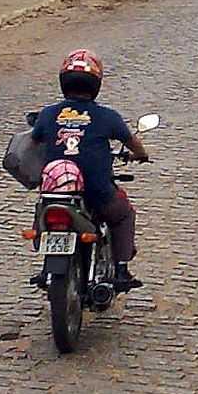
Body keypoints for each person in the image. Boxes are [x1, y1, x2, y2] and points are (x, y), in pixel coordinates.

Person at [31, 49, 150, 292]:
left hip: (58, 194)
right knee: (124, 214)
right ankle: (121, 269)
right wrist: (140, 155)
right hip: (97, 192)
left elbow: (34, 140)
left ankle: (46, 264)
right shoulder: (107, 117)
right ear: (96, 84)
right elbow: (133, 143)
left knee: (43, 204)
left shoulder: (48, 114)